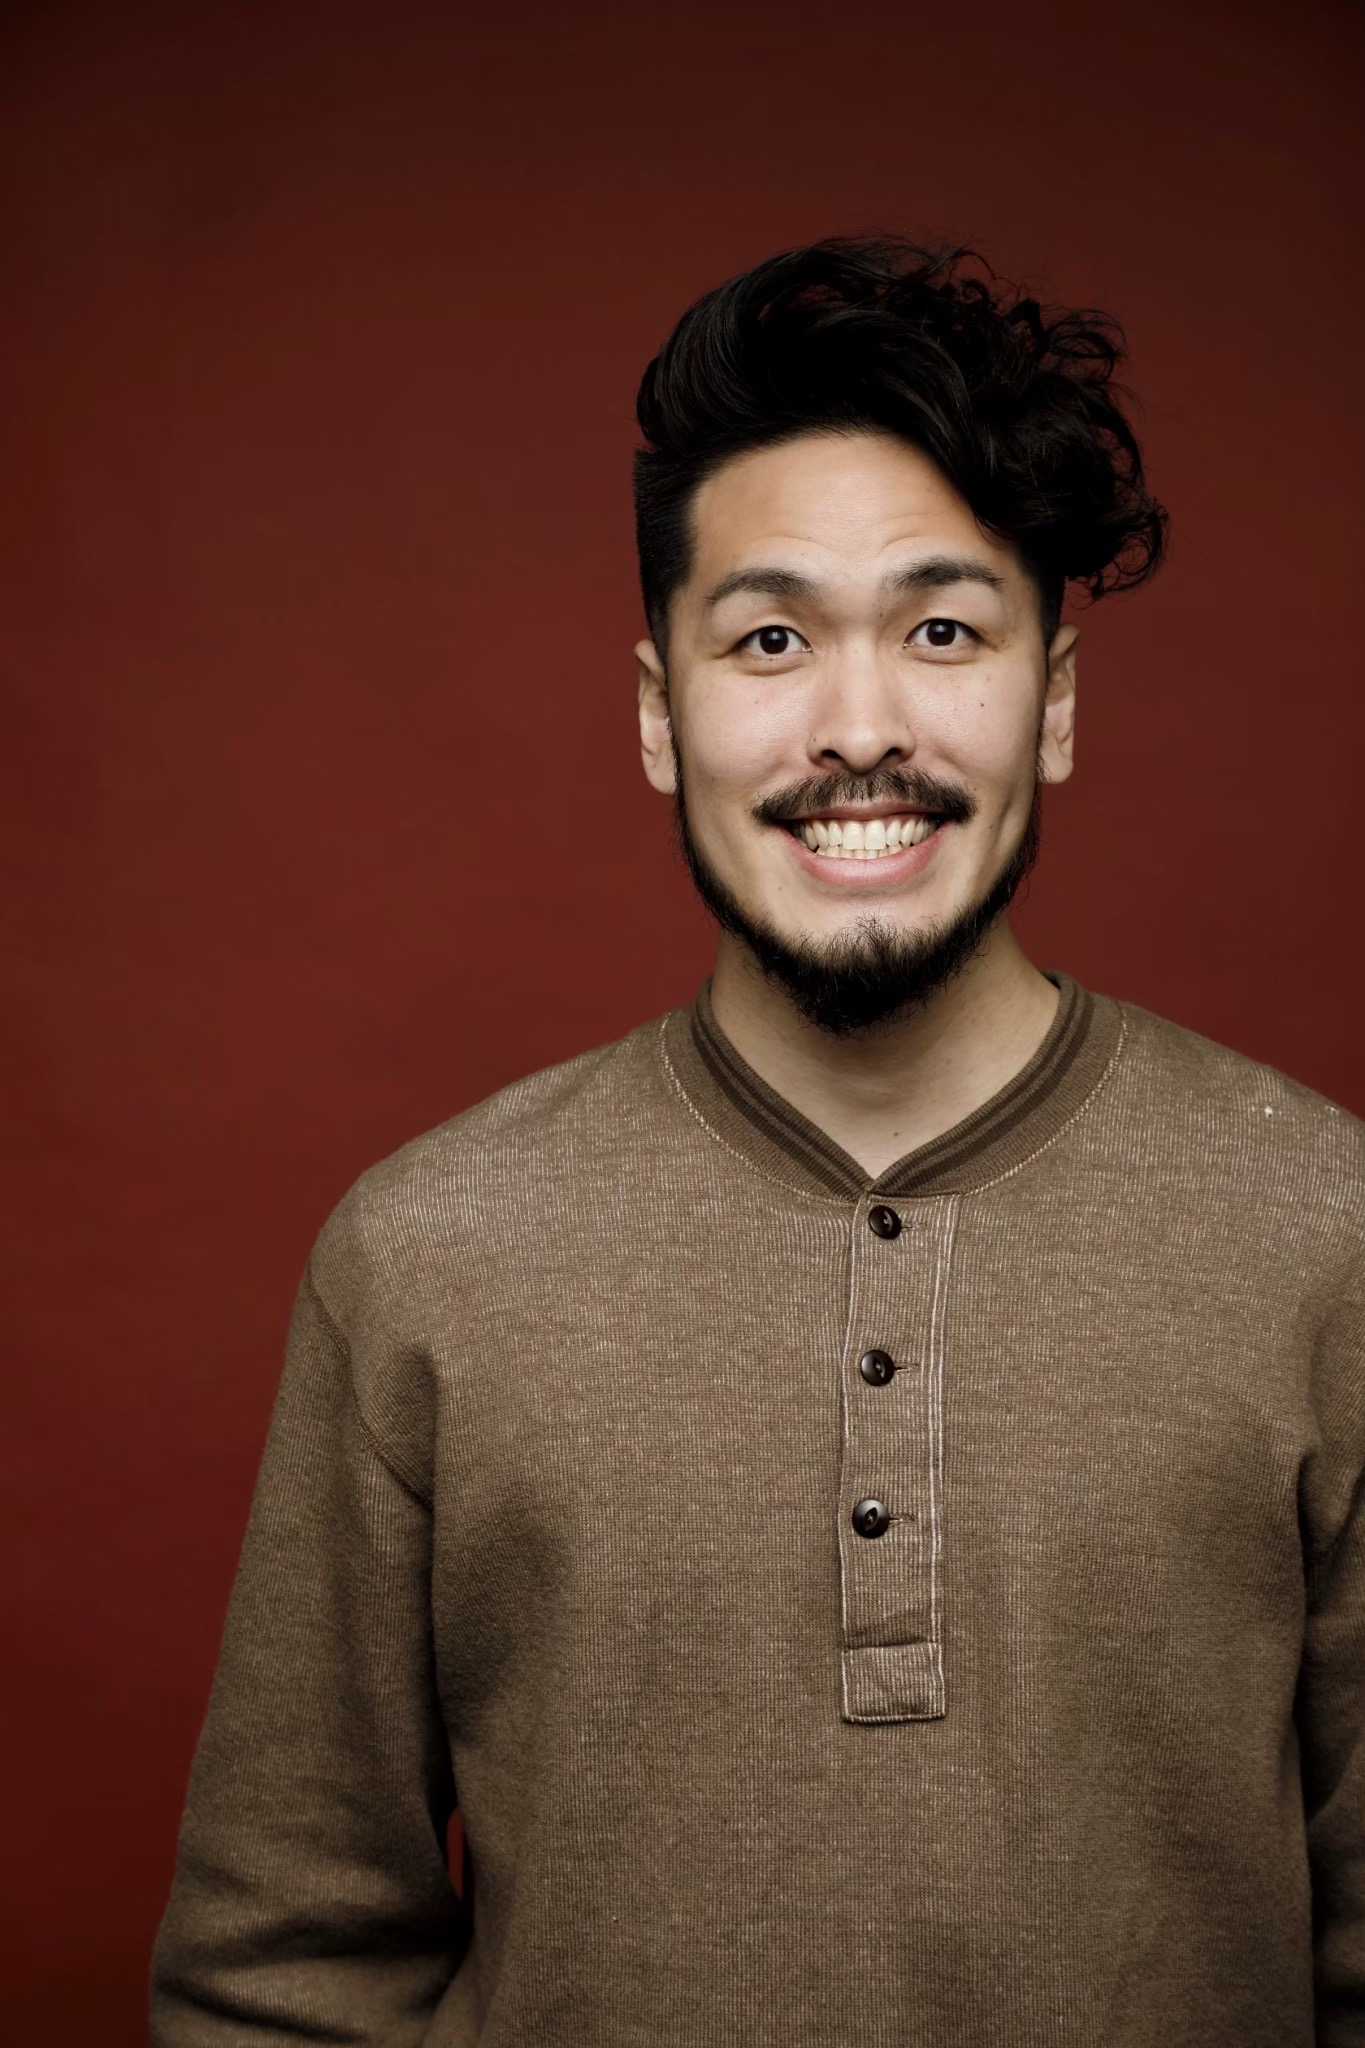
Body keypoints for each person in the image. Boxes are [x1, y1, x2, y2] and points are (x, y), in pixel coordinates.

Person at [150, 236, 1364, 2047]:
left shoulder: (1326, 1234)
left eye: (942, 631)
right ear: (661, 713)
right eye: (771, 639)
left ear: (1052, 697)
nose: (858, 730)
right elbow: (278, 1978)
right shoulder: (428, 1254)